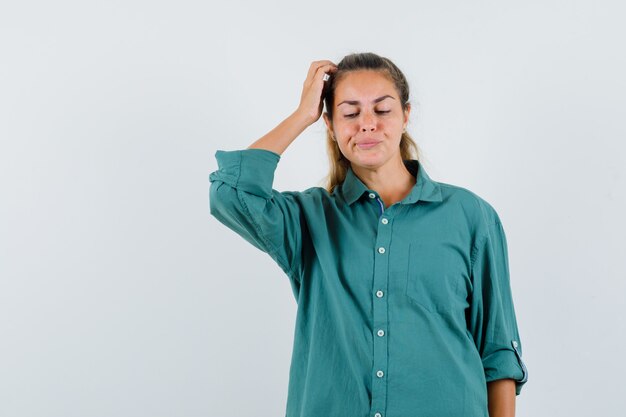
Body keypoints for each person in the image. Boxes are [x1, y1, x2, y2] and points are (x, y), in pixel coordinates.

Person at [209, 52, 528, 417]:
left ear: (406, 116)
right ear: (329, 123)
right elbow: (230, 193)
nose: (367, 124)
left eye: (382, 110)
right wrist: (302, 116)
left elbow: (498, 350)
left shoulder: (471, 216)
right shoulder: (308, 220)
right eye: (349, 113)